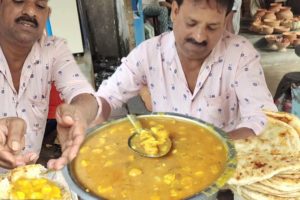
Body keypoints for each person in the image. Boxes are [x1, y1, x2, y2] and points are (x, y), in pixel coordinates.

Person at [97, 0, 277, 140]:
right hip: (166, 167)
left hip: (224, 168)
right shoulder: (148, 54)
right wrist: (82, 115)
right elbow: (107, 96)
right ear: (175, 11)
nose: (199, 37)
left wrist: (214, 145)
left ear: (226, 19)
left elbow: (265, 119)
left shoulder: (241, 55)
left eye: (212, 27)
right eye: (191, 23)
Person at [0, 0, 100, 171]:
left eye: (40, 5)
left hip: (28, 177)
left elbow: (83, 94)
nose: (30, 11)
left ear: (47, 15)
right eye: (18, 0)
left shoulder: (53, 49)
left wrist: (79, 115)